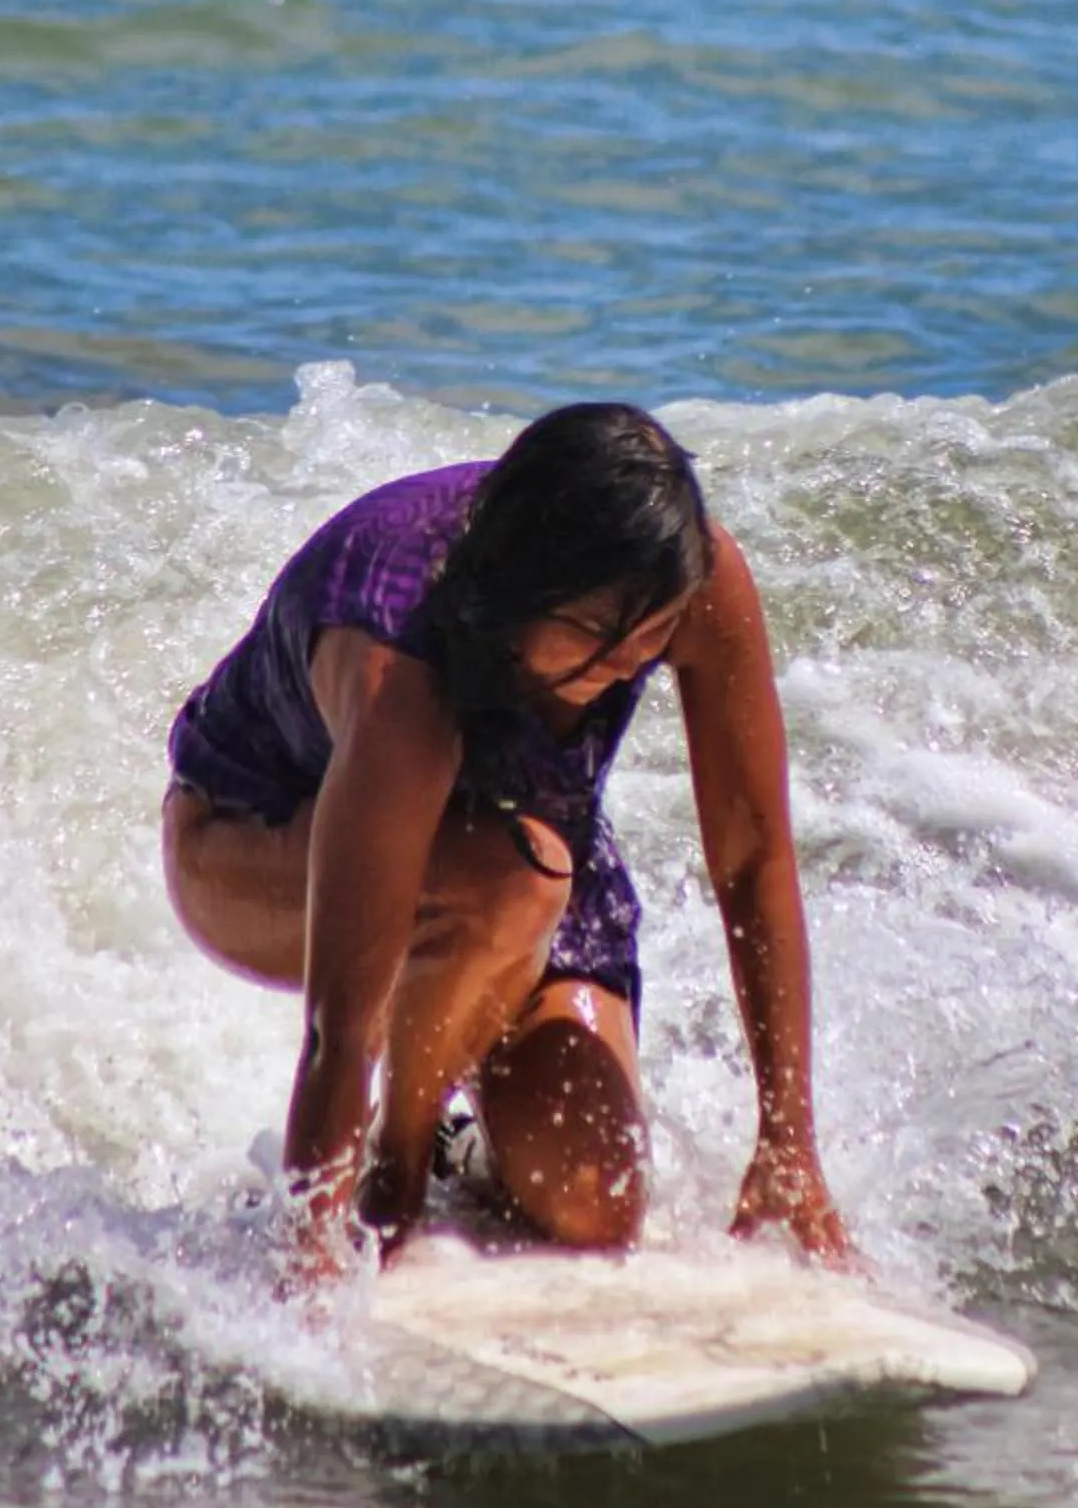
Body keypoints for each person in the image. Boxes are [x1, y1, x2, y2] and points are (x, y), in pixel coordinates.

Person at [162, 400, 848, 1277]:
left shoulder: (686, 584)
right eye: (599, 639)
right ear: (517, 591)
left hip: (523, 844)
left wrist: (788, 1145)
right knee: (508, 880)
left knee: (596, 1201)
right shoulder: (400, 668)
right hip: (250, 840)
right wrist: (311, 1264)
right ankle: (395, 1174)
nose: (631, 665)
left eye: (652, 638)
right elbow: (342, 1025)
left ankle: (455, 1137)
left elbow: (753, 860)